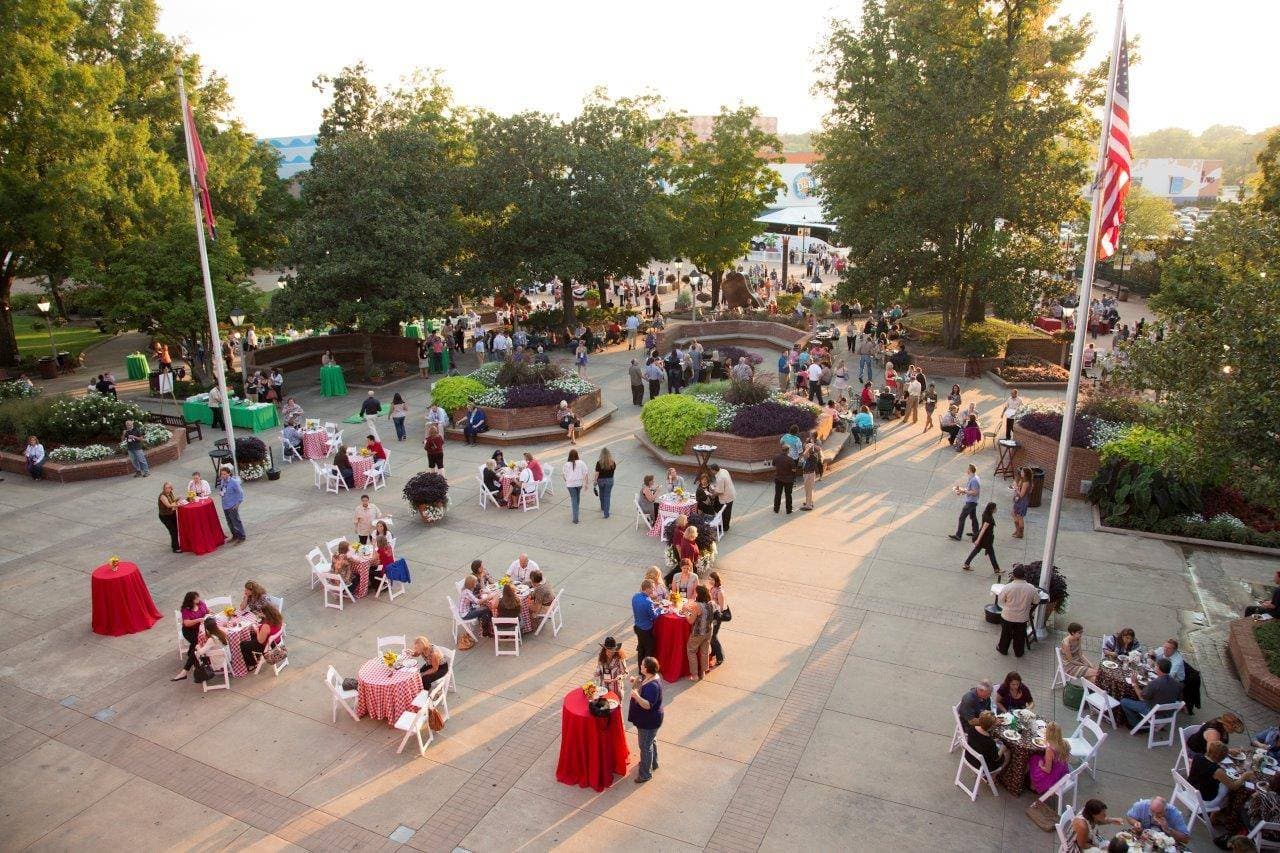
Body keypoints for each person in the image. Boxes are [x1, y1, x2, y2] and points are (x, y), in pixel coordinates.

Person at [1119, 656, 1183, 728]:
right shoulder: (1177, 684)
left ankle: (1135, 724)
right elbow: (1178, 699)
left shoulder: (1154, 683)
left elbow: (1141, 698)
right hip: (1169, 713)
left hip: (1154, 712)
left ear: (1158, 668)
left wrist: (1134, 684)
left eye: (1155, 666)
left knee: (1124, 701)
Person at [629, 656, 664, 784]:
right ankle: (653, 763)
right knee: (650, 741)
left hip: (648, 722)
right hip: (650, 720)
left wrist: (636, 696)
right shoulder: (650, 677)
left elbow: (648, 705)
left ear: (648, 669)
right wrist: (636, 682)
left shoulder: (653, 686)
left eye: (643, 665)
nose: (641, 666)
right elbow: (643, 683)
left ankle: (645, 774)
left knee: (645, 746)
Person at [1191, 741, 1251, 812]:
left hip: (1191, 791)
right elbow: (1233, 786)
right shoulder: (1217, 771)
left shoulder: (1197, 756)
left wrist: (1228, 751)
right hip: (1205, 801)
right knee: (1227, 786)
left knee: (1221, 781)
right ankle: (1227, 806)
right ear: (1221, 758)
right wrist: (1244, 777)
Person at [995, 565, 1037, 655]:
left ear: (1013, 576)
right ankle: (1018, 652)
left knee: (1005, 634)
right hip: (1022, 618)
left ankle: (1003, 649)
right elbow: (1036, 600)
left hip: (1008, 616)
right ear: (1024, 576)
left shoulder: (1008, 587)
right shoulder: (1031, 588)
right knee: (1020, 636)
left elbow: (1001, 601)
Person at [172, 591, 210, 680]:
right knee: (197, 644)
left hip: (200, 629)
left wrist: (209, 613)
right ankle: (185, 671)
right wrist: (198, 620)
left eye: (198, 597)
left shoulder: (201, 604)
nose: (198, 599)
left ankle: (189, 659)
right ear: (191, 600)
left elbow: (207, 610)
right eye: (196, 598)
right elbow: (186, 623)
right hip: (189, 631)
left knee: (195, 646)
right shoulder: (186, 610)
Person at [1124, 797, 1191, 846]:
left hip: (1164, 844)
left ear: (1165, 810)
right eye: (1152, 811)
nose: (1155, 816)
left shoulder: (1174, 814)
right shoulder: (1142, 805)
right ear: (1149, 805)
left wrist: (1167, 829)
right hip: (1143, 838)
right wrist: (1136, 823)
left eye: (1159, 813)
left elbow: (1186, 839)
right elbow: (1129, 816)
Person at [239, 602, 284, 670]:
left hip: (267, 647)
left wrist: (257, 630)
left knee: (243, 644)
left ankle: (252, 664)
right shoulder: (278, 618)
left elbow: (260, 641)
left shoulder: (266, 626)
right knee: (250, 635)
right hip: (276, 642)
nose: (260, 614)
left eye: (261, 612)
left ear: (266, 613)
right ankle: (257, 656)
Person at [1029, 721, 1069, 795]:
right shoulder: (1065, 743)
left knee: (1033, 759)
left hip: (1052, 776)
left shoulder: (1050, 750)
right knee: (1039, 757)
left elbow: (1047, 770)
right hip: (1061, 772)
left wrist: (1041, 766)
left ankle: (1034, 787)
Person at [685, 584, 714, 682]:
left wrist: (685, 612)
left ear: (699, 594)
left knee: (691, 651)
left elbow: (691, 621)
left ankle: (695, 675)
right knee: (704, 652)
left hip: (698, 633)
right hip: (708, 631)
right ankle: (703, 672)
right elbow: (702, 614)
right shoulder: (710, 603)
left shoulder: (697, 605)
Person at [962, 502, 1000, 574]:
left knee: (977, 551)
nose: (996, 509)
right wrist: (978, 540)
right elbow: (983, 529)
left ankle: (966, 563)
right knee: (991, 553)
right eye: (995, 508)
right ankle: (996, 569)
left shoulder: (985, 514)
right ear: (992, 509)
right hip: (986, 539)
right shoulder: (988, 518)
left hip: (985, 538)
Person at [965, 710, 1007, 774]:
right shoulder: (989, 742)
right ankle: (995, 775)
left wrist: (993, 741)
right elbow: (996, 758)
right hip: (981, 765)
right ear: (991, 727)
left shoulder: (972, 729)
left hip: (969, 756)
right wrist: (1003, 749)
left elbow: (979, 741)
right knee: (1007, 753)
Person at [949, 464, 981, 541]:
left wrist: (964, 491)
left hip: (971, 502)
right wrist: (961, 491)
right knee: (973, 517)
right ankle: (976, 533)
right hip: (972, 501)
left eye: (968, 469)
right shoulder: (973, 478)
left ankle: (958, 535)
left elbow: (975, 492)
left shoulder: (974, 480)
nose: (966, 470)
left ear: (970, 470)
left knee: (962, 517)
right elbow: (969, 490)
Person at [632, 579, 660, 660]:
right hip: (646, 630)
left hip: (637, 627)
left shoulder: (635, 596)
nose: (653, 589)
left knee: (641, 648)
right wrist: (659, 609)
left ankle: (640, 666)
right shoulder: (648, 602)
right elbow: (654, 616)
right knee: (649, 649)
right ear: (647, 589)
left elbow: (642, 606)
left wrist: (653, 604)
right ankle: (647, 666)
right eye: (652, 588)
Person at [218, 465, 246, 544]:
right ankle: (235, 535)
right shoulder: (222, 481)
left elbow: (240, 493)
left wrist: (238, 504)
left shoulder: (234, 482)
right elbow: (223, 489)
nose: (222, 476)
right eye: (221, 474)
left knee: (236, 521)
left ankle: (241, 536)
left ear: (229, 474)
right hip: (225, 505)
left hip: (232, 505)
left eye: (224, 474)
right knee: (229, 522)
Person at [562, 449, 588, 524]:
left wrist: (567, 481)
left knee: (574, 498)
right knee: (577, 497)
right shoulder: (581, 463)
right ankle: (576, 510)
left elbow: (564, 475)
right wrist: (586, 483)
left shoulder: (566, 464)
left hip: (570, 485)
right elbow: (586, 473)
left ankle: (575, 516)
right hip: (579, 483)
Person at [709, 571, 728, 668]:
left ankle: (720, 657)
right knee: (711, 637)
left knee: (713, 637)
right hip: (712, 615)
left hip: (717, 617)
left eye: (712, 580)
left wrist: (715, 619)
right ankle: (714, 652)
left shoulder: (720, 592)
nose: (710, 581)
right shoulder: (713, 588)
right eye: (709, 579)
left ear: (716, 580)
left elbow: (721, 608)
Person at [708, 465, 735, 532]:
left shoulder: (720, 478)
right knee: (726, 511)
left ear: (714, 470)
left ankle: (725, 527)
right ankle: (724, 524)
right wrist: (716, 488)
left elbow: (720, 491)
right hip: (730, 494)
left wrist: (712, 495)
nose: (711, 472)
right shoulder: (724, 470)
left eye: (711, 470)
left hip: (726, 497)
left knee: (725, 512)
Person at [157, 483, 181, 552]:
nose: (167, 489)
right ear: (164, 488)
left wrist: (176, 500)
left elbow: (172, 502)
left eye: (169, 488)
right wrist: (177, 506)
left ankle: (175, 545)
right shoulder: (162, 496)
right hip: (165, 516)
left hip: (172, 513)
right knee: (173, 531)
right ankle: (175, 548)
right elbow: (168, 505)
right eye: (166, 488)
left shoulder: (170, 493)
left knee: (176, 529)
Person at [594, 447, 616, 518]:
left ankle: (603, 507)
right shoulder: (612, 463)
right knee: (607, 496)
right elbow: (613, 471)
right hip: (609, 480)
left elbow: (597, 473)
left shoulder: (599, 463)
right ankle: (606, 513)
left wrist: (595, 481)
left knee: (601, 494)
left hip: (601, 481)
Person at [772, 448, 796, 514]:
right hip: (788, 480)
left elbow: (773, 465)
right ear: (788, 451)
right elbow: (794, 470)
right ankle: (789, 510)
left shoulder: (776, 457)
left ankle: (776, 509)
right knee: (788, 495)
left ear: (782, 450)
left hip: (778, 478)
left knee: (778, 494)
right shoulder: (790, 459)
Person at [1011, 466, 1032, 539]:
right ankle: (1017, 530)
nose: (1021, 473)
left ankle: (1020, 533)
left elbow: (1022, 494)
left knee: (1020, 516)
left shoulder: (1026, 483)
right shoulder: (1022, 480)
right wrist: (1015, 485)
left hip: (1022, 501)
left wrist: (1016, 489)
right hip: (1018, 500)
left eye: (1022, 472)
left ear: (1026, 473)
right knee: (1013, 513)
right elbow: (1017, 485)